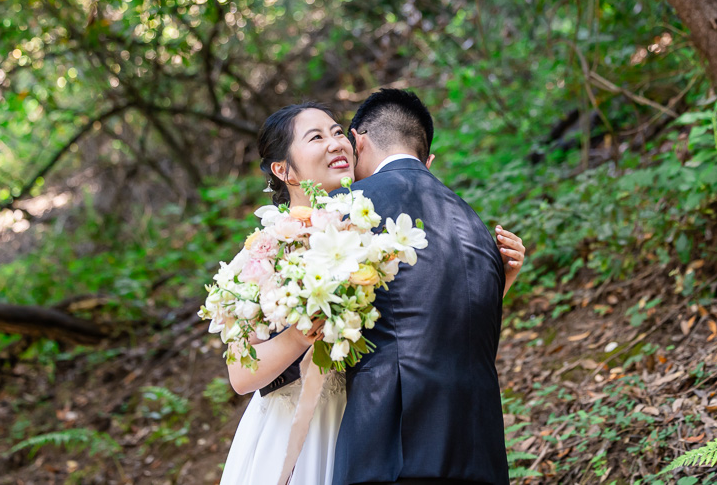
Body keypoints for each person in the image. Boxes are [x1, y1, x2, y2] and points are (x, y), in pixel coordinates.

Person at [219, 101, 524, 485]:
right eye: (316, 137)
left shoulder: (364, 228)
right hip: (299, 430)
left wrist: (498, 278)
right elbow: (240, 375)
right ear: (283, 170)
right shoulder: (265, 249)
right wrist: (301, 335)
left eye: (336, 132)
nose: (335, 143)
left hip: (367, 423)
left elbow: (413, 320)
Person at [331, 89, 510, 485]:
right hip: (480, 447)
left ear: (358, 141)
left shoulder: (346, 207)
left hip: (391, 443)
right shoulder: (476, 224)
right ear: (426, 156)